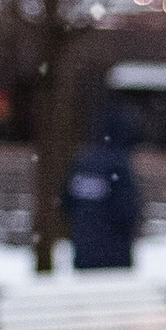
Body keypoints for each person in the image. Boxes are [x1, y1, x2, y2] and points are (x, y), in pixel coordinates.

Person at [61, 103, 142, 270]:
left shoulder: (82, 161)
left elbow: (66, 201)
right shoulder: (118, 165)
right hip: (114, 256)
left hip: (83, 251)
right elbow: (126, 210)